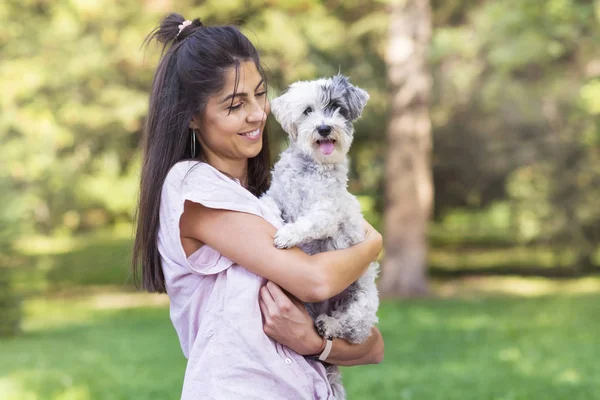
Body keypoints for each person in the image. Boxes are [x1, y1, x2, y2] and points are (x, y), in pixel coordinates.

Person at [132, 13, 384, 400]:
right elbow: (316, 280)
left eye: (260, 94)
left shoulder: (269, 195)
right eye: (235, 105)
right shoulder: (193, 189)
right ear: (193, 118)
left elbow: (373, 345)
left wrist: (315, 343)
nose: (257, 114)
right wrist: (372, 245)